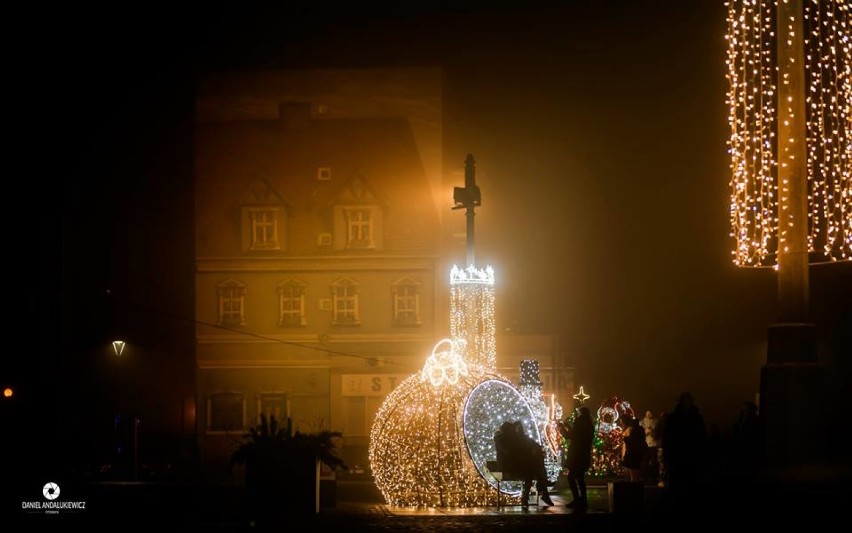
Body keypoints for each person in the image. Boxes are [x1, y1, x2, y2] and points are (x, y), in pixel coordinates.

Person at [662, 392, 707, 508]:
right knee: (676, 486)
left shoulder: (695, 418)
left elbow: (701, 437)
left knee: (689, 486)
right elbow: (667, 437)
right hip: (677, 456)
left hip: (690, 457)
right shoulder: (675, 418)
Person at [494, 421, 554, 507]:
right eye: (514, 429)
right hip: (508, 466)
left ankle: (529, 496)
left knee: (533, 467)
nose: (515, 431)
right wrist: (528, 454)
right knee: (533, 469)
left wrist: (534, 450)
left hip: (518, 464)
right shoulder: (503, 439)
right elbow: (511, 453)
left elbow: (534, 445)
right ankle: (542, 489)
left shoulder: (517, 439)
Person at [558, 406, 594, 509]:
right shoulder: (588, 425)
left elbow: (569, 436)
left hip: (576, 456)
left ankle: (577, 499)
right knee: (580, 478)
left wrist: (561, 428)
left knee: (571, 477)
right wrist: (568, 426)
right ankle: (583, 500)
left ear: (581, 414)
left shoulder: (579, 423)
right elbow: (576, 434)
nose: (577, 414)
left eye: (578, 412)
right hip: (584, 455)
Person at [621, 415, 647, 482]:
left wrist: (623, 455)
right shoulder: (640, 429)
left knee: (631, 474)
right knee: (636, 473)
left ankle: (632, 489)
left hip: (630, 454)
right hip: (637, 454)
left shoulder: (629, 429)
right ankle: (636, 488)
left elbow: (627, 443)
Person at [639, 410, 659, 482]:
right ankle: (645, 477)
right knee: (645, 461)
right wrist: (645, 432)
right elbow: (640, 432)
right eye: (648, 413)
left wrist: (653, 432)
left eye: (650, 413)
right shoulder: (641, 422)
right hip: (645, 444)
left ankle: (654, 477)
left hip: (653, 444)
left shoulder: (656, 422)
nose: (649, 414)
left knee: (654, 461)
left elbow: (658, 431)